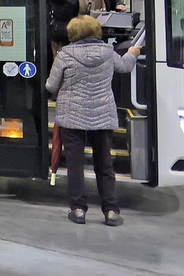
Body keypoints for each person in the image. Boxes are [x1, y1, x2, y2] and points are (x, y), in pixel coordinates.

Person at [46, 15, 139, 227]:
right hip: (102, 115)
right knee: (104, 164)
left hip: (72, 116)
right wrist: (132, 54)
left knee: (75, 165)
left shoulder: (65, 55)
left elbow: (51, 86)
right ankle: (111, 211)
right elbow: (124, 67)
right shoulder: (107, 53)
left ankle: (78, 209)